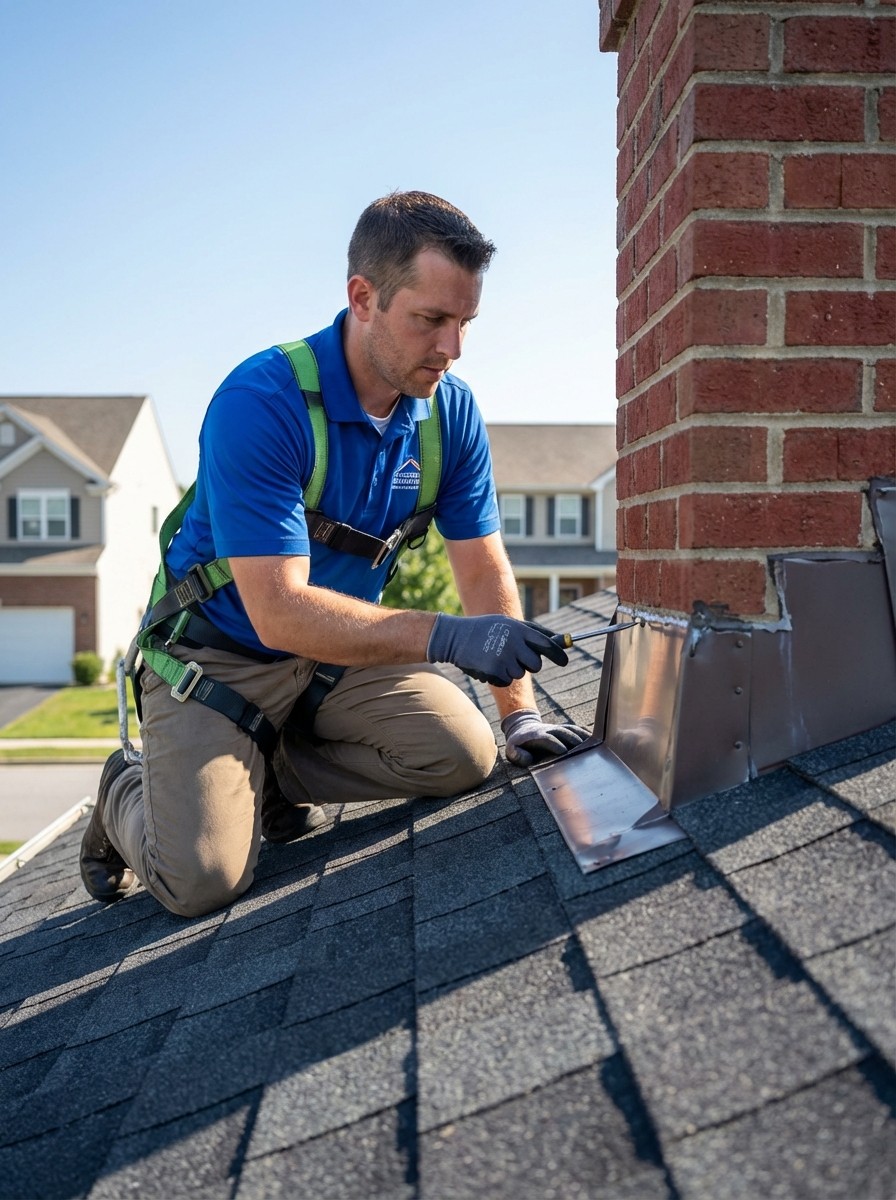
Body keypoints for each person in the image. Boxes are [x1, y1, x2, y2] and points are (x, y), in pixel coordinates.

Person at [80, 190, 589, 918]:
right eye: (432, 320)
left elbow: (480, 565)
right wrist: (447, 637)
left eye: (466, 322)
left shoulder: (449, 414)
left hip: (330, 663)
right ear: (363, 297)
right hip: (216, 659)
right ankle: (127, 790)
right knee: (201, 880)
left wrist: (521, 718)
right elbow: (278, 611)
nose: (453, 348)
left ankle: (263, 779)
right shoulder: (264, 400)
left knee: (462, 755)